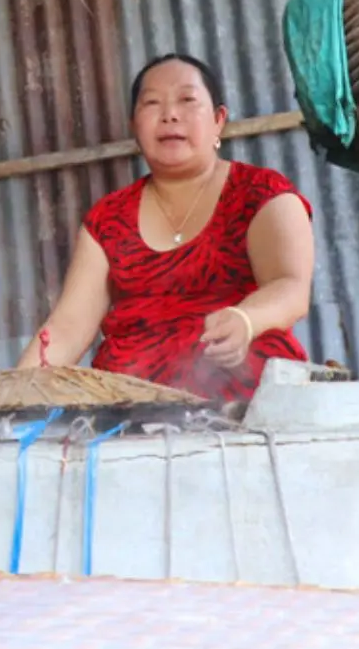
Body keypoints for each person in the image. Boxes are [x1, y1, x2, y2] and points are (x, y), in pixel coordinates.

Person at [16, 54, 315, 401]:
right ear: (134, 126)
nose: (170, 114)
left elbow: (290, 286)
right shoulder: (108, 219)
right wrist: (8, 396)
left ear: (218, 120)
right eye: (152, 103)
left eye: (187, 100)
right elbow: (67, 327)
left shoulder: (260, 193)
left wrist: (247, 319)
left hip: (250, 406)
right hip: (127, 412)